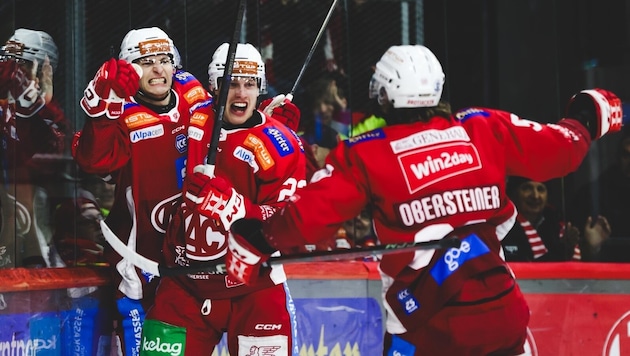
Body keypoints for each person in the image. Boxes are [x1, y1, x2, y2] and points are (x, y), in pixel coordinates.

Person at [204, 45, 622, 355]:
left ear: (382, 95)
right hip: (503, 319)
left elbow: (306, 220)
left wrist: (256, 237)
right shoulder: (482, 127)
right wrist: (585, 117)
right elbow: (562, 150)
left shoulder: (367, 151)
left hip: (427, 326)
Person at [140, 43, 305, 355]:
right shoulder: (194, 118)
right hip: (185, 283)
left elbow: (291, 225)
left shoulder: (281, 147)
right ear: (214, 87)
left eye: (250, 84)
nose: (241, 94)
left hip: (254, 287)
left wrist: (235, 208)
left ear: (261, 89)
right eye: (231, 83)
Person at [72, 27, 212, 356]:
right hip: (141, 263)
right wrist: (100, 115)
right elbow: (93, 161)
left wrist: (263, 122)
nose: (158, 69)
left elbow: (224, 134)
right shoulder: (123, 114)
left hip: (191, 254)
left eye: (164, 60)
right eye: (146, 62)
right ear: (130, 71)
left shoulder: (192, 91)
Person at [0, 28, 69, 268]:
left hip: (34, 245)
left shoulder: (48, 117)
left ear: (44, 71)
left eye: (23, 66)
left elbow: (53, 158)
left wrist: (39, 107)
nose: (13, 74)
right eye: (9, 64)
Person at [501, 177, 588, 261]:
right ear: (514, 194)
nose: (535, 196)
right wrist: (563, 248)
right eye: (527, 188)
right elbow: (526, 270)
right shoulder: (503, 227)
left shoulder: (556, 225)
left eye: (540, 189)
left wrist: (592, 247)